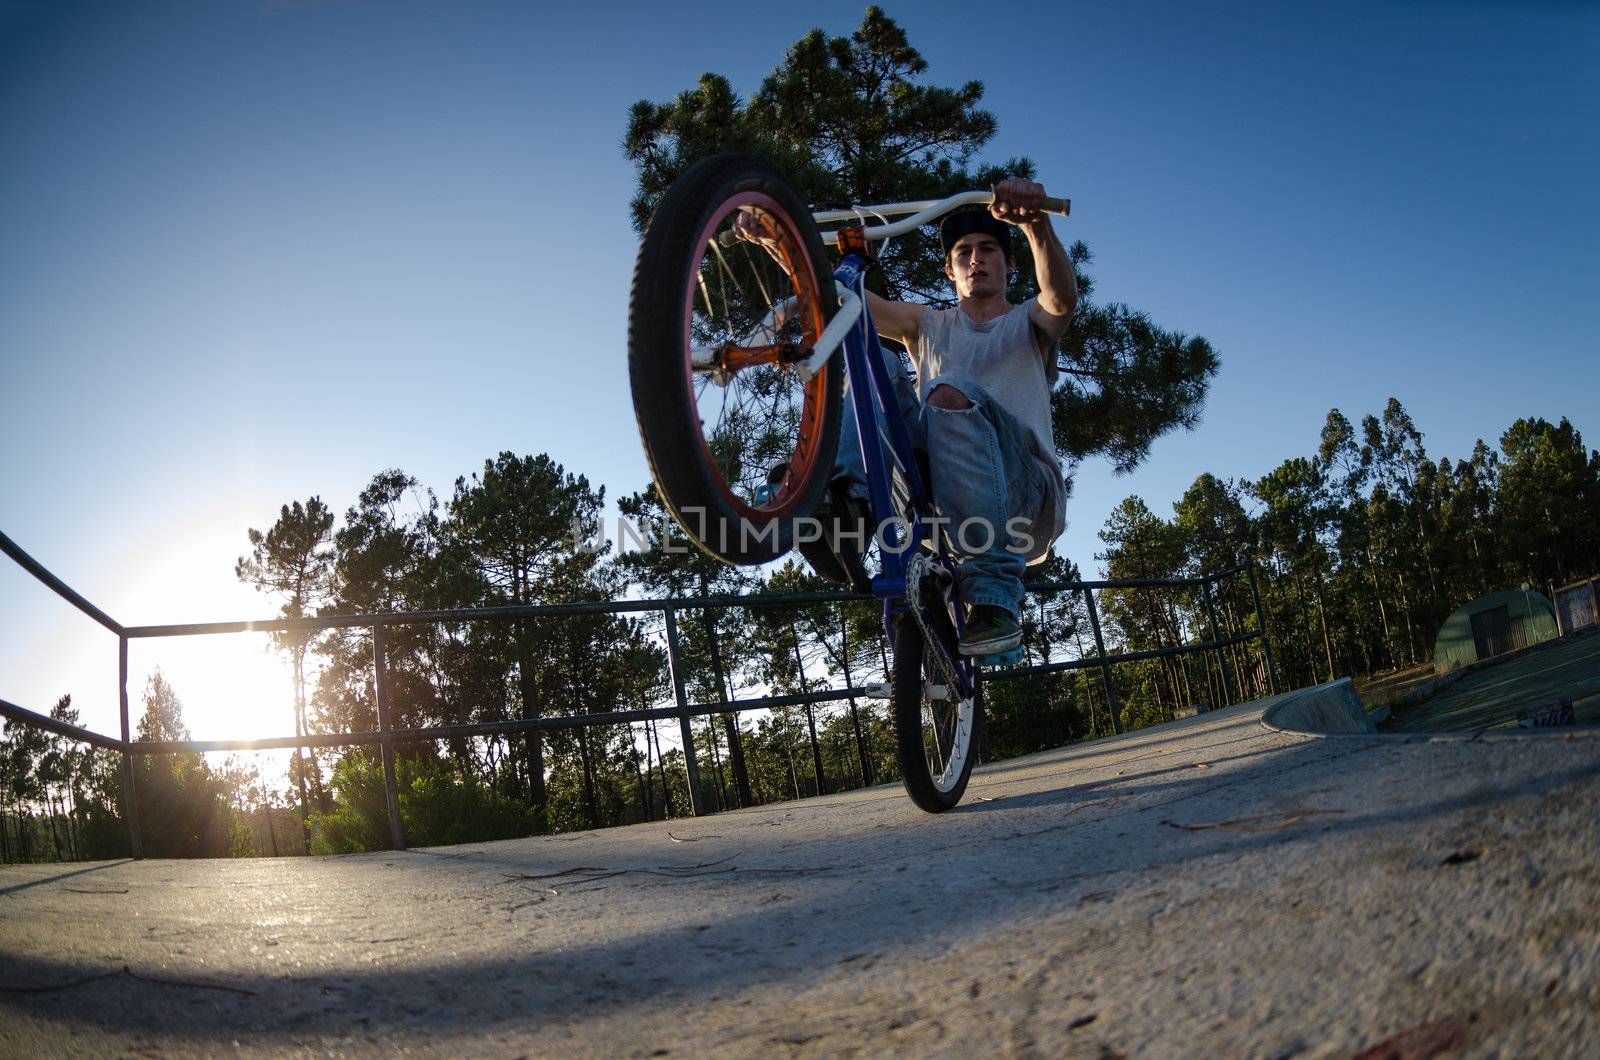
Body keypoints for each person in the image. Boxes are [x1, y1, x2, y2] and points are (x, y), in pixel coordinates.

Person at [740, 178, 1075, 657]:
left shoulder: (1028, 322)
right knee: (870, 359)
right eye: (964, 253)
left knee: (948, 390)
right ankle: (846, 506)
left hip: (1023, 498)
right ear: (950, 271)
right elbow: (839, 297)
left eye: (988, 250)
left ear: (1009, 265)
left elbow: (1060, 299)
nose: (976, 259)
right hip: (940, 498)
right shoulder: (927, 325)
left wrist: (1035, 226)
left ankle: (993, 596)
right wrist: (779, 241)